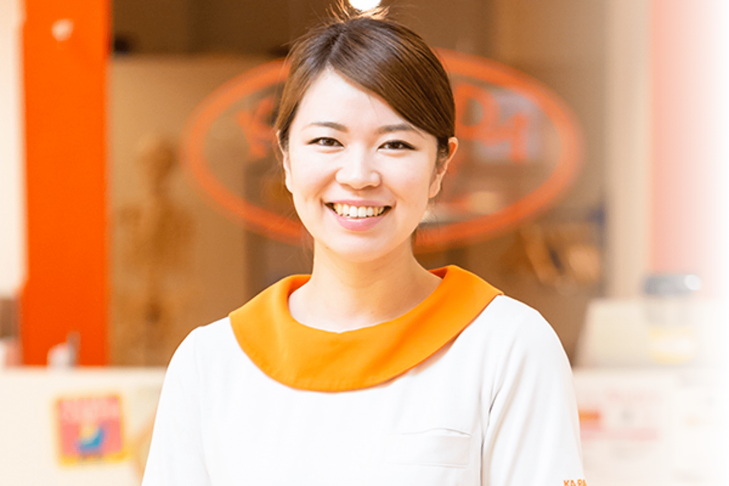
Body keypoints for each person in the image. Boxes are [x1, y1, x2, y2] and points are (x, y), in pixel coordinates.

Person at [142, 8, 584, 486]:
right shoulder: (211, 363)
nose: (358, 175)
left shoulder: (507, 347)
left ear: (441, 166)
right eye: (327, 140)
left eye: (395, 145)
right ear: (286, 158)